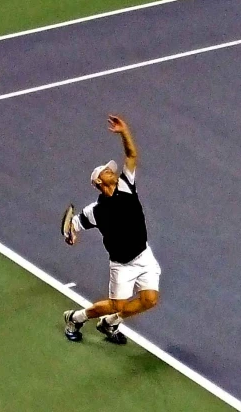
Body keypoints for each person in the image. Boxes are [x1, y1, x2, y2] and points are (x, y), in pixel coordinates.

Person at [62, 115, 160, 344]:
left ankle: (110, 322)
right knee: (117, 303)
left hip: (143, 255)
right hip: (121, 264)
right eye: (106, 171)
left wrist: (124, 131)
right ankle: (76, 317)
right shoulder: (94, 211)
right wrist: (71, 235)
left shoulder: (126, 185)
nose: (111, 171)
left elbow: (131, 155)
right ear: (98, 182)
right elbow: (73, 225)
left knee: (149, 300)